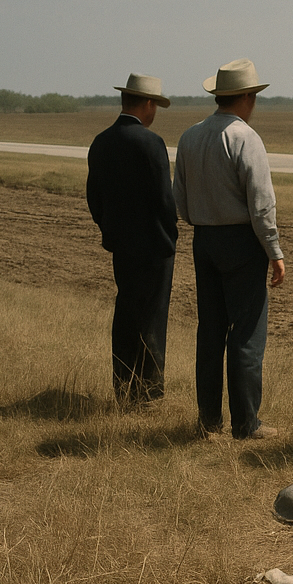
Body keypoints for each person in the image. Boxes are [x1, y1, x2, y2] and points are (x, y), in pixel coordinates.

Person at [172, 58, 285, 440]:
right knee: (247, 333)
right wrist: (274, 250)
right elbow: (261, 203)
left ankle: (208, 421)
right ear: (247, 97)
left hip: (203, 239)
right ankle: (246, 423)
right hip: (241, 241)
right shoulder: (245, 138)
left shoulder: (190, 136)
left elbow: (181, 201)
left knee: (211, 331)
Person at [85, 73, 176, 406]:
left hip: (120, 245)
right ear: (149, 104)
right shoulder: (150, 142)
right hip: (154, 246)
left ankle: (123, 387)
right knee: (152, 316)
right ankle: (149, 392)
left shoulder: (101, 141)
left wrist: (109, 228)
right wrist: (171, 236)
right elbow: (164, 200)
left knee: (126, 312)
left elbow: (93, 196)